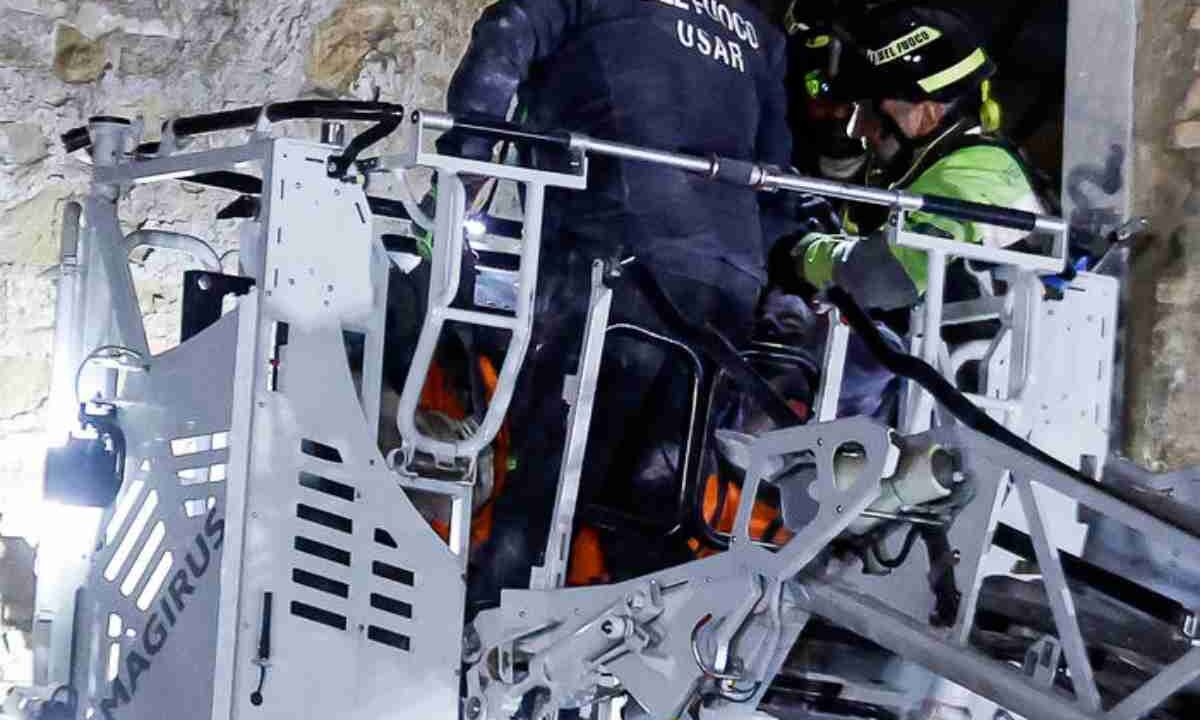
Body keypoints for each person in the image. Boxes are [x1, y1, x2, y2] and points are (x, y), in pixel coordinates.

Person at [436, 0, 795, 604]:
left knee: (552, 472)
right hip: (729, 284)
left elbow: (505, 36)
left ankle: (481, 639)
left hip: (619, 257)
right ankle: (644, 658)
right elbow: (778, 176)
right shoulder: (753, 28)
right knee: (654, 490)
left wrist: (467, 169)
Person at [784, 4, 1047, 305]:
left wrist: (801, 252)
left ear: (927, 116)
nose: (855, 131)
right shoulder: (941, 171)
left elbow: (882, 279)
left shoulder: (978, 175)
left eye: (869, 112)